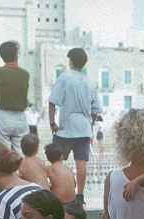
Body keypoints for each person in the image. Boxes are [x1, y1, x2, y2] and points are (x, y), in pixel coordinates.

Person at [48, 47, 101, 205]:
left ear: (70, 61)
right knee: (81, 164)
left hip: (66, 129)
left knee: (57, 162)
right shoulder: (89, 82)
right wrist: (89, 127)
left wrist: (52, 122)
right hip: (84, 129)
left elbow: (52, 101)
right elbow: (95, 110)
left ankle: (58, 190)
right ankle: (80, 195)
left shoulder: (64, 78)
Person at [0, 41, 30, 152]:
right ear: (16, 54)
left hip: (3, 116)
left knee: (4, 154)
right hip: (20, 117)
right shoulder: (25, 74)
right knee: (21, 154)